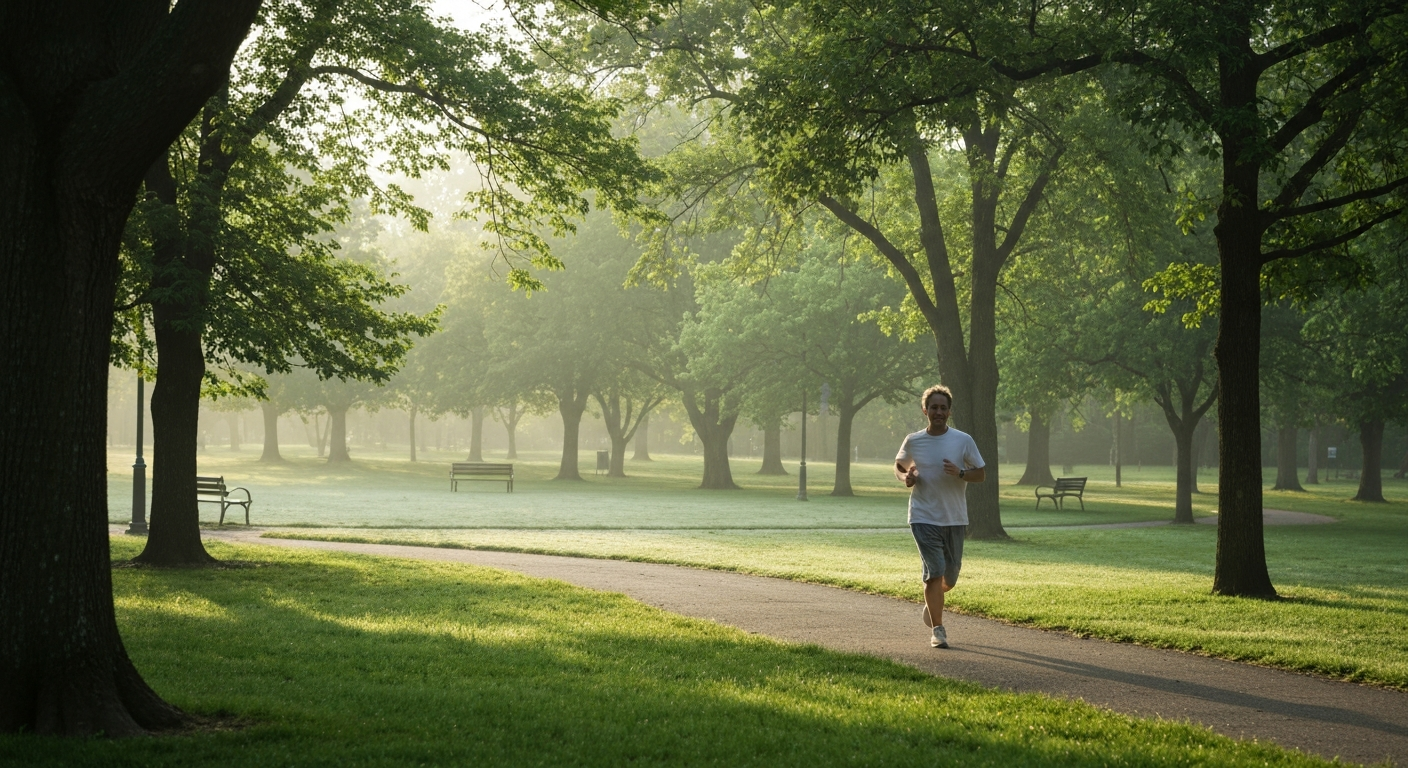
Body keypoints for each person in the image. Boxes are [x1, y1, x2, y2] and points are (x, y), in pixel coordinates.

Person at [894, 384, 985, 648]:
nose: (938, 412)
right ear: (925, 410)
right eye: (933, 407)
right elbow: (899, 467)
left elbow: (981, 474)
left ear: (949, 411)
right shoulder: (914, 440)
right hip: (923, 516)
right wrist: (906, 478)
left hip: (954, 518)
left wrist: (959, 473)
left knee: (950, 577)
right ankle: (938, 629)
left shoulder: (963, 440)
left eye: (943, 408)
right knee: (934, 573)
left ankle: (932, 604)